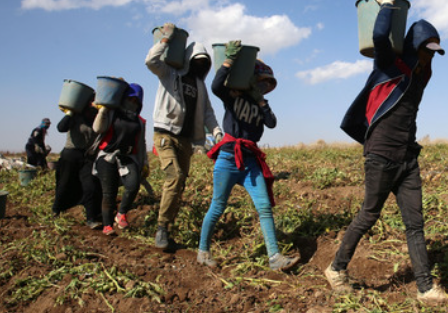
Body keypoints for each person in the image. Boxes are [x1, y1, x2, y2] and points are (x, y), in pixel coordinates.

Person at [326, 0, 448, 303]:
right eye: (426, 49)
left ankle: (425, 288)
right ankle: (336, 269)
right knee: (369, 214)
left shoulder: (420, 77)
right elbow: (381, 36)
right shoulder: (389, 65)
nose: (429, 56)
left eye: (434, 52)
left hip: (408, 157)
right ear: (412, 47)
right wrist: (387, 6)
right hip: (380, 154)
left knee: (415, 224)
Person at [199, 42, 298, 270]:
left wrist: (261, 101)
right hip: (228, 159)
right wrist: (228, 61)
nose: (263, 87)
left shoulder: (261, 103)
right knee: (218, 206)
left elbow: (272, 123)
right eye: (261, 82)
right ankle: (203, 252)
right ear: (251, 79)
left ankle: (275, 258)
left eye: (266, 84)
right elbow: (215, 86)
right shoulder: (233, 96)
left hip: (250, 161)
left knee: (264, 207)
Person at [146, 22, 223, 250]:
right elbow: (151, 61)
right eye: (197, 61)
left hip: (187, 141)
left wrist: (217, 132)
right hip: (165, 135)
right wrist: (165, 39)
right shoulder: (169, 74)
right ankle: (161, 228)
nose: (200, 65)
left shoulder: (200, 85)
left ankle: (167, 227)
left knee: (179, 185)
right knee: (175, 177)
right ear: (189, 59)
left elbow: (208, 112)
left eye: (204, 63)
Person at [92, 83, 148, 236]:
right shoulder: (112, 113)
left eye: (137, 101)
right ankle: (107, 225)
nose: (133, 103)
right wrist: (103, 110)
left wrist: (144, 163)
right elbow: (97, 129)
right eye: (131, 99)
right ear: (124, 99)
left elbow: (141, 143)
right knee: (109, 192)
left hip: (127, 156)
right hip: (107, 156)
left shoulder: (140, 122)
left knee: (133, 184)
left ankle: (121, 213)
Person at [52, 96, 102, 229]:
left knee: (90, 185)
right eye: (91, 101)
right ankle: (56, 210)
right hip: (70, 154)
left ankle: (91, 218)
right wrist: (70, 112)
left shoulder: (98, 117)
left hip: (87, 156)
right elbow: (61, 128)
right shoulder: (76, 116)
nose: (94, 104)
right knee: (64, 184)